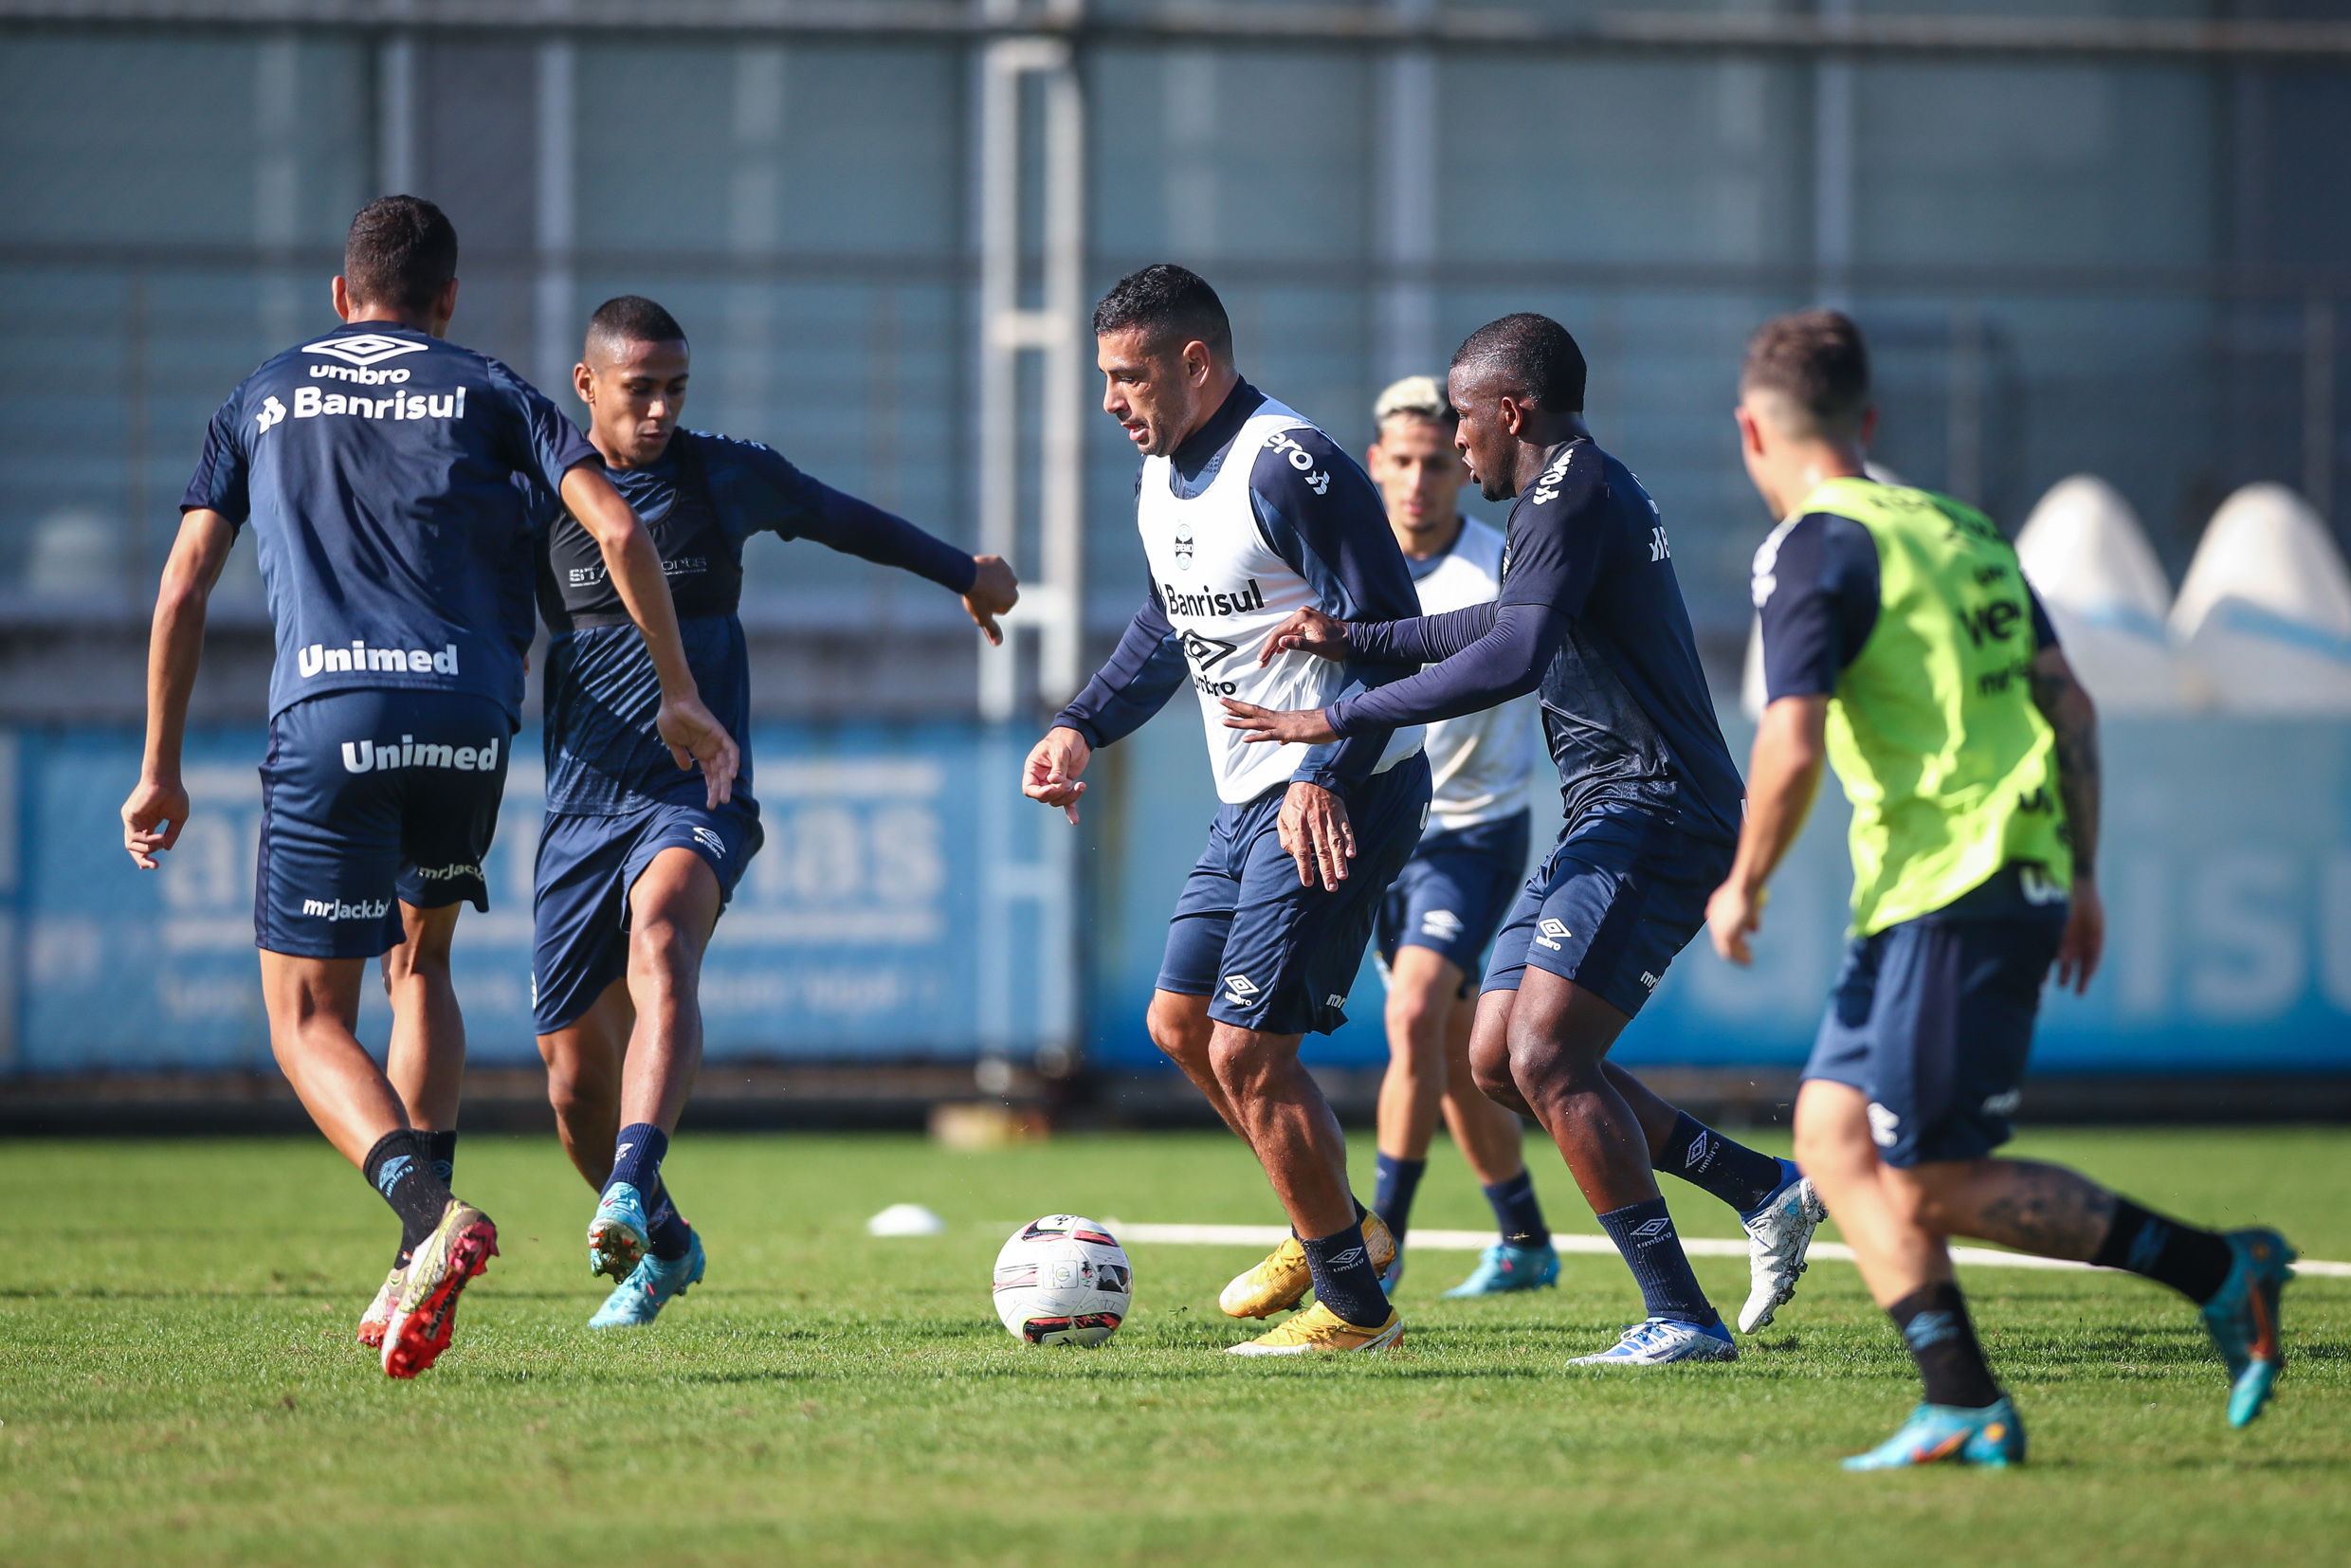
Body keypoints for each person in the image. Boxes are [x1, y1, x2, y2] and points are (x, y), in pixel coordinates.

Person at [118, 197, 737, 1378]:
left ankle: (423, 1212)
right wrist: (677, 689)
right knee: (422, 964)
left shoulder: (263, 392)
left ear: (343, 297)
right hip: (467, 717)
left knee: (305, 1020)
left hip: (331, 711)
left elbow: (184, 588)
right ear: (446, 299)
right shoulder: (489, 384)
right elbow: (616, 528)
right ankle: (418, 1248)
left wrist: (160, 767)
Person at [1705, 308, 2296, 1466]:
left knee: (1928, 1181)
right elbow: (2067, 704)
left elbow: (1789, 737)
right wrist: (2077, 870)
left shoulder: (1811, 544)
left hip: (1953, 878)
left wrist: (1744, 881)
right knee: (1827, 1135)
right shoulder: (1964, 531)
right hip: (1966, 878)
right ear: (1868, 421)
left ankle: (2218, 1268)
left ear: (1747, 432)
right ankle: (1959, 1397)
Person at [1225, 314, 1827, 1364]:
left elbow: (1509, 654)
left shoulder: (1572, 490)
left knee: (1546, 1050)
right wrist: (1355, 638)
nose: (1456, 446)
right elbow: (1495, 623)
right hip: (1604, 810)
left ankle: (1678, 1317)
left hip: (1658, 807)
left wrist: (1338, 713)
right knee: (1498, 1057)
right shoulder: (1570, 495)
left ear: (1510, 412)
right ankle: (1758, 1186)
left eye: (1462, 421)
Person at [531, 296, 1018, 1327]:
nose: (660, 409)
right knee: (571, 1079)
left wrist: (962, 574)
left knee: (660, 935)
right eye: (638, 390)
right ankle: (660, 1239)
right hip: (579, 806)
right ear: (587, 388)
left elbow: (845, 520)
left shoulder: (725, 475)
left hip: (694, 791)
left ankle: (629, 1174)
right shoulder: (541, 491)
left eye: (676, 390)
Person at [1022, 264, 1431, 1355]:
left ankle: (1354, 1309)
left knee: (1250, 1052)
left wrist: (1320, 775)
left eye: (1128, 376)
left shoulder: (1289, 467)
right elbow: (1166, 630)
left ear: (1194, 364)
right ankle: (1338, 1227)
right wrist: (1079, 724)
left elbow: (1390, 643)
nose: (1109, 400)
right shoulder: (1160, 471)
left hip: (1344, 789)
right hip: (1253, 797)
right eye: (1104, 377)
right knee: (1179, 1027)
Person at [1357, 374, 1558, 1298]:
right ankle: (1522, 1236)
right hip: (1380, 828)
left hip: (1473, 832)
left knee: (1411, 1012)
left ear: (1460, 465)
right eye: (1400, 461)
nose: (1418, 480)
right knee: (1443, 1055)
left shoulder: (1498, 566)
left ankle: (1374, 1251)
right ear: (1374, 464)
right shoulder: (1355, 570)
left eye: (1437, 462)